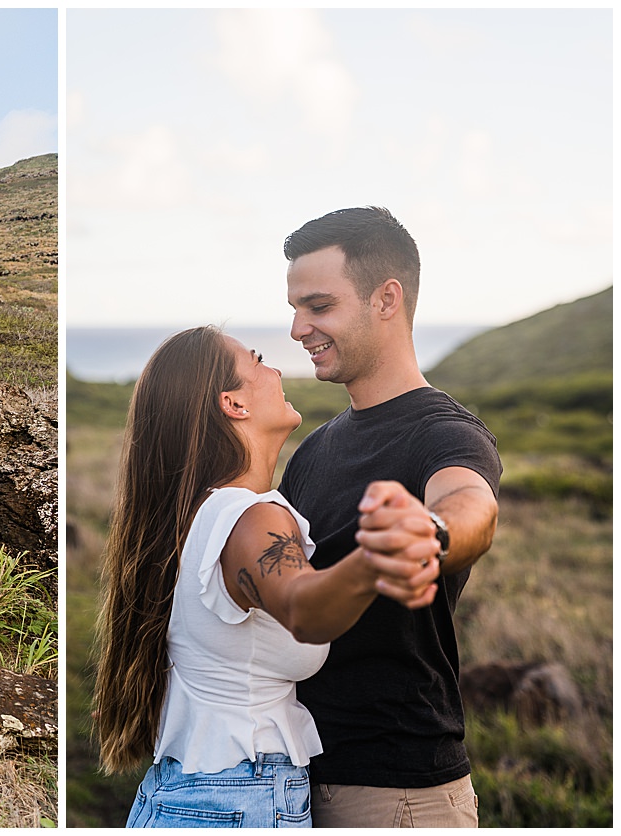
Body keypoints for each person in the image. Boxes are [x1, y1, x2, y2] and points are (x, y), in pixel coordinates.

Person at [94, 325, 444, 828]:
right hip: (237, 798)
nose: (276, 368)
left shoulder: (196, 513)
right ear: (233, 404)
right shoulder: (251, 517)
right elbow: (302, 606)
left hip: (194, 793)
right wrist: (378, 557)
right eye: (257, 360)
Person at [280, 207, 502, 827]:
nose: (298, 328)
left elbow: (471, 507)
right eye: (295, 308)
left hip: (397, 794)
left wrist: (428, 534)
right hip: (296, 781)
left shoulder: (446, 432)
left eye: (319, 306)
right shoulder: (313, 450)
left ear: (387, 299)